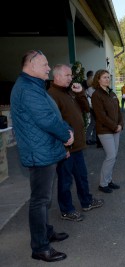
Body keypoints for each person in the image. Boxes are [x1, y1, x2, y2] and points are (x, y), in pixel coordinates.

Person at [10, 50, 74, 262]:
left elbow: (53, 115)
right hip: (39, 153)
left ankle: (45, 232)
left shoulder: (33, 86)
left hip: (44, 149)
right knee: (40, 200)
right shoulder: (28, 89)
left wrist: (65, 131)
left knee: (43, 199)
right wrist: (66, 135)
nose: (48, 68)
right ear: (31, 65)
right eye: (45, 64)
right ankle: (40, 247)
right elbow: (46, 120)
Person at [48, 64, 104, 222]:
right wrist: (62, 145)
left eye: (71, 75)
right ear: (57, 77)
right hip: (66, 147)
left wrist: (80, 93)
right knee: (65, 181)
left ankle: (86, 201)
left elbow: (86, 109)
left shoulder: (69, 92)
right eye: (67, 75)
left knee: (82, 176)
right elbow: (53, 124)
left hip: (77, 145)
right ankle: (66, 210)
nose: (71, 78)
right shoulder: (52, 95)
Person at [91, 69, 124, 193]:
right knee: (110, 156)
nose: (107, 79)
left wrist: (120, 124)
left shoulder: (112, 93)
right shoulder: (96, 95)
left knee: (113, 156)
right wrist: (114, 126)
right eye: (104, 77)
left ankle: (109, 180)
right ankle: (103, 184)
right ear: (98, 80)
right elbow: (101, 116)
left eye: (108, 77)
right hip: (105, 131)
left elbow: (118, 111)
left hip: (116, 129)